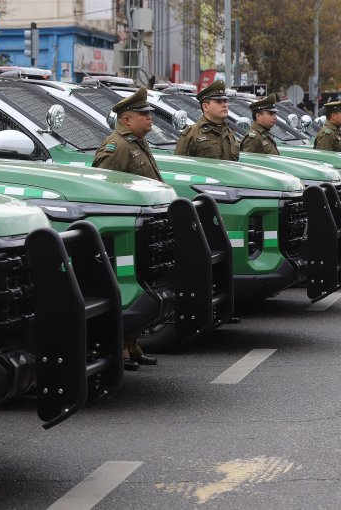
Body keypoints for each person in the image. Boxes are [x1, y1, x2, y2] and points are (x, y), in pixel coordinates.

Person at [92, 87, 160, 371]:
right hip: (124, 231)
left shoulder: (138, 142)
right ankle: (118, 348)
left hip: (142, 228)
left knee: (141, 285)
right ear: (127, 119)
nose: (150, 120)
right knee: (125, 289)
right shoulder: (115, 146)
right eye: (144, 115)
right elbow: (103, 188)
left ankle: (133, 345)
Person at [93, 87, 162, 181]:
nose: (149, 117)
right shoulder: (118, 146)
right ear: (127, 120)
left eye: (149, 113)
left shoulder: (137, 140)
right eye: (144, 114)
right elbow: (104, 186)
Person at [174, 80, 239, 161]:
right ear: (205, 107)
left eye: (225, 101)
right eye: (218, 101)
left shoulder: (229, 132)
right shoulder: (192, 133)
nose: (225, 105)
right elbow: (180, 166)